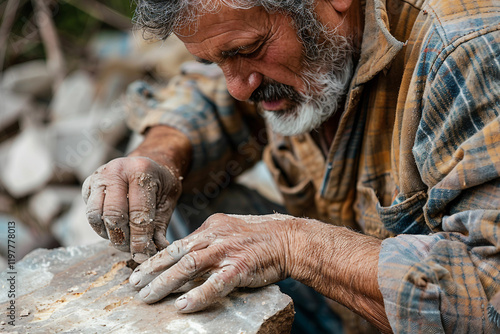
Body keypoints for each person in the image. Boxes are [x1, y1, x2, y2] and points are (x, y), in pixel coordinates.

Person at [81, 0, 500, 332]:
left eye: (247, 51)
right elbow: (208, 97)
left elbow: (489, 293)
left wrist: (293, 245)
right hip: (343, 315)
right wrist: (158, 157)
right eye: (216, 62)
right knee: (177, 209)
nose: (237, 88)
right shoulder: (282, 53)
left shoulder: (464, 51)